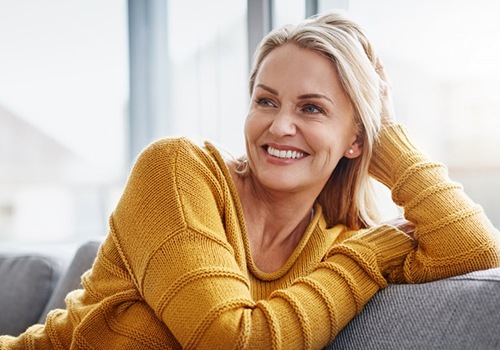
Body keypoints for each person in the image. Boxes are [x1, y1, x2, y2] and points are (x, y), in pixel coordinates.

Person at [1, 10, 499, 350]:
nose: (279, 125)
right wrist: (366, 257)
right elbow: (229, 340)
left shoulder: (336, 244)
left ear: (355, 140)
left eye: (311, 108)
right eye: (266, 100)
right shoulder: (177, 172)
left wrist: (385, 137)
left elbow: (476, 251)